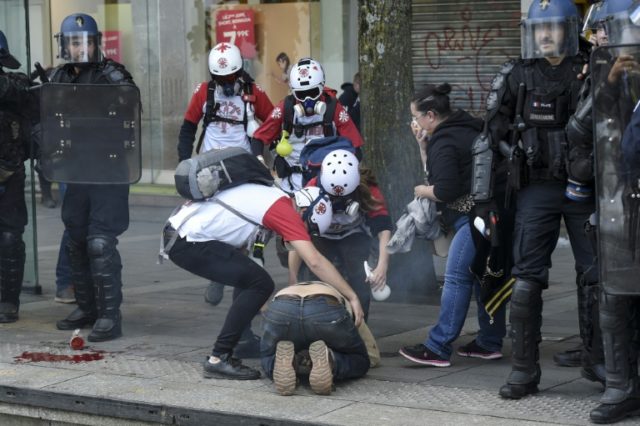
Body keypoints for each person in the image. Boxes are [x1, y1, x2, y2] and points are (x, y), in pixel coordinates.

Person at [475, 0, 598, 399]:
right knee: (527, 279)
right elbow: (488, 136)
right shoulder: (516, 73)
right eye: (539, 28)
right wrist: (482, 199)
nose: (545, 35)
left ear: (569, 29)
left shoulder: (591, 68)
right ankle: (524, 372)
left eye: (553, 28)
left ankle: (603, 363)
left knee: (597, 276)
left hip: (585, 187)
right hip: (536, 187)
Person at [163, 177, 364, 380]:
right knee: (260, 284)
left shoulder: (275, 197)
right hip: (188, 241)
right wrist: (351, 296)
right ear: (305, 211)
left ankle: (242, 340)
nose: (301, 232)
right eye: (305, 226)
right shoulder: (284, 210)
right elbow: (314, 261)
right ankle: (218, 358)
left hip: (183, 233)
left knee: (251, 276)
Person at [398, 83, 506, 367]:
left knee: (457, 278)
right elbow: (440, 172)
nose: (415, 122)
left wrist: (421, 191)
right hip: (494, 214)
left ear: (430, 115)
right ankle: (489, 342)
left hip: (473, 219)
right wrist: (423, 146)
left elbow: (443, 190)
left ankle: (438, 346)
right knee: (485, 279)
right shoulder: (467, 127)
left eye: (416, 117)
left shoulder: (444, 141)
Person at [50, 13, 137, 342]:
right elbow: (45, 114)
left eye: (85, 41)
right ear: (65, 45)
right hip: (76, 172)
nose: (80, 48)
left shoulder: (112, 75)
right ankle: (87, 307)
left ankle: (109, 316)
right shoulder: (59, 77)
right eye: (74, 42)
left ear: (96, 43)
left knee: (100, 243)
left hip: (108, 173)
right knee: (76, 240)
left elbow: (130, 104)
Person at [177, 42, 274, 333]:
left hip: (242, 166)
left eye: (231, 78)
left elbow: (273, 121)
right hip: (209, 169)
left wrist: (258, 144)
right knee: (213, 224)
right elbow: (187, 128)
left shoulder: (254, 93)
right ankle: (220, 273)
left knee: (249, 225)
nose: (227, 84)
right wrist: (184, 165)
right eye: (221, 79)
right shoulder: (203, 93)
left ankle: (249, 276)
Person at [588, 2, 640, 423]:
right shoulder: (613, 72)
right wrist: (609, 79)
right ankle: (622, 385)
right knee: (617, 291)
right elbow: (588, 128)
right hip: (621, 197)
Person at [290, 150, 392, 320]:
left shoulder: (366, 188)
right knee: (318, 278)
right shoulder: (311, 190)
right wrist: (292, 277)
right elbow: (297, 236)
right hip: (320, 236)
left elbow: (384, 229)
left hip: (353, 233)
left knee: (359, 275)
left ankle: (359, 326)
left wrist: (382, 265)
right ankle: (319, 325)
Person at [252, 57, 364, 194]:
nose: (307, 100)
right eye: (301, 94)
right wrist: (259, 160)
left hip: (325, 185)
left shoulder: (333, 108)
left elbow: (356, 148)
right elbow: (258, 138)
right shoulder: (285, 107)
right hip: (291, 186)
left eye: (312, 93)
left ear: (322, 87)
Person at [262, 280, 376, 396]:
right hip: (324, 307)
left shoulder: (293, 286)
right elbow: (372, 352)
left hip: (282, 305)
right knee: (361, 360)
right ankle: (332, 360)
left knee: (267, 356)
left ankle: (284, 361)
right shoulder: (339, 291)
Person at [0, 30, 36, 323]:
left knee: (11, 236)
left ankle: (9, 300)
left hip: (8, 172)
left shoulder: (16, 83)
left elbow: (19, 92)